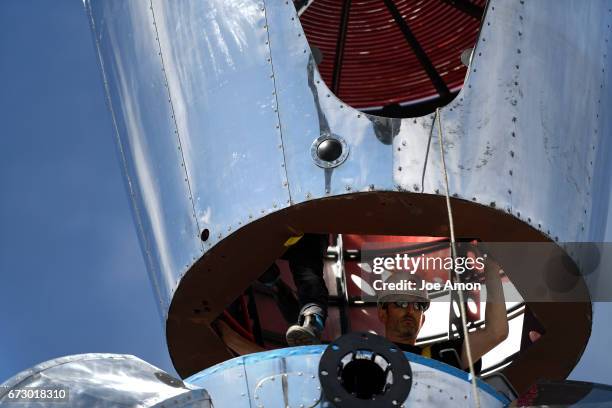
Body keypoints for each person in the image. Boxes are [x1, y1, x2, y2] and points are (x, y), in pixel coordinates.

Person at [377, 248, 509, 372]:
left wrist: (491, 267)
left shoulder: (443, 356)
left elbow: (496, 332)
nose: (411, 310)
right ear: (383, 313)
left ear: (422, 320)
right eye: (402, 303)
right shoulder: (364, 359)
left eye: (418, 306)